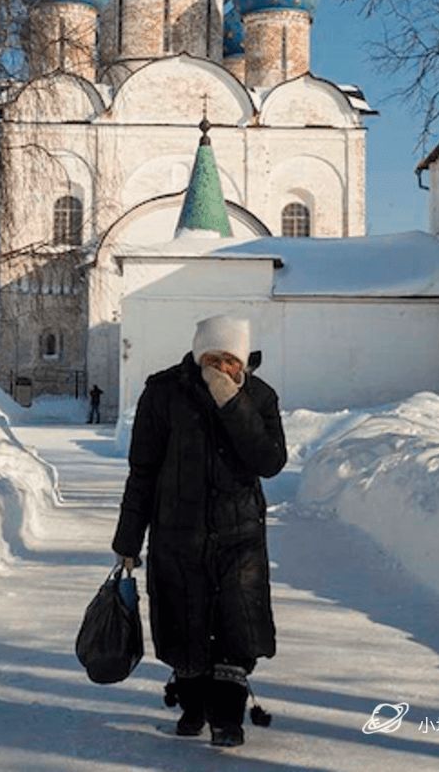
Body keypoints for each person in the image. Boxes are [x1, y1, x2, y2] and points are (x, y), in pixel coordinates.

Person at [112, 315, 287, 748]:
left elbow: (269, 460)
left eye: (230, 360)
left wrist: (233, 404)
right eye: (212, 357)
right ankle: (193, 705)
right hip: (177, 532)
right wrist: (128, 541)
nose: (220, 368)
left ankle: (227, 718)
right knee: (184, 623)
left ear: (242, 361)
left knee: (235, 627)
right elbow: (143, 471)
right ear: (196, 353)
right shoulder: (165, 392)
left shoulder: (258, 397)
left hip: (239, 535)